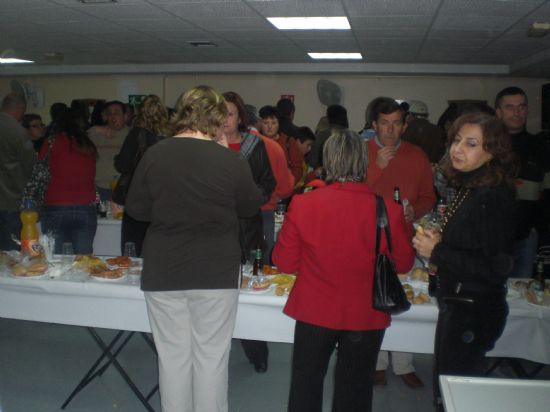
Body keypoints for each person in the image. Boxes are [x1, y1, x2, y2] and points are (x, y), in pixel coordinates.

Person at [125, 85, 262, 412]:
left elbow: (137, 210)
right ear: (216, 119)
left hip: (164, 269)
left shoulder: (155, 154)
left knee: (172, 359)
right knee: (211, 358)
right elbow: (249, 206)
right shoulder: (230, 160)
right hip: (215, 271)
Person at [273, 129, 414, 412]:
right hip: (366, 313)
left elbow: (285, 262)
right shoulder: (388, 208)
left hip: (315, 310)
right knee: (355, 390)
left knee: (306, 385)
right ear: (364, 162)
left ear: (329, 162)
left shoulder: (303, 203)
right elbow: (404, 263)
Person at [412, 112, 517, 412]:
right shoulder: (471, 186)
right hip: (459, 302)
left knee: (454, 395)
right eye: (457, 140)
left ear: (492, 151)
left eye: (471, 144)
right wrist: (441, 241)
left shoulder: (492, 197)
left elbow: (496, 267)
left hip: (473, 308)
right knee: (447, 388)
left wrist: (438, 252)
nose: (458, 149)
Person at [367, 97, 436, 388]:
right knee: (375, 300)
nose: (390, 130)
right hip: (367, 238)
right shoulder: (362, 152)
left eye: (396, 123)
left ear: (405, 125)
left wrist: (415, 211)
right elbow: (347, 190)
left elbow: (429, 196)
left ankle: (403, 362)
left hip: (404, 241)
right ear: (374, 125)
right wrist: (377, 166)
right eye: (384, 123)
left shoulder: (417, 154)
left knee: (404, 298)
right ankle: (378, 361)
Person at [223, 92, 276, 373]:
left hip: (247, 229)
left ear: (240, 117)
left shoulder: (253, 144)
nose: (224, 120)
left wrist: (251, 198)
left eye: (230, 113)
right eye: (219, 113)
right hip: (213, 230)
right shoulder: (204, 144)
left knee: (250, 292)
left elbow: (269, 181)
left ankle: (257, 351)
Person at [495, 87, 548, 278]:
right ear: (498, 112)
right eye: (510, 107)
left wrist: (540, 231)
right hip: (491, 236)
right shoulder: (487, 146)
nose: (517, 112)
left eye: (521, 107)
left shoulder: (541, 146)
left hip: (526, 237)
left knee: (522, 293)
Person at [114, 95, 169, 257]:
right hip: (163, 197)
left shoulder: (135, 134)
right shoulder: (170, 136)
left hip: (137, 196)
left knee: (132, 246)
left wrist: (117, 159)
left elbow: (122, 165)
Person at [40, 109, 98, 254]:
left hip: (55, 206)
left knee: (56, 259)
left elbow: (40, 173)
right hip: (85, 206)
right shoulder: (87, 145)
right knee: (84, 259)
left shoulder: (52, 142)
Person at [246, 105, 294, 265]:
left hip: (233, 213)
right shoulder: (273, 147)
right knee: (262, 263)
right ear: (258, 123)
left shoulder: (221, 145)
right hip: (265, 212)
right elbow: (286, 188)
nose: (269, 126)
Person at [0, 93, 35, 251]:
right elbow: (29, 166)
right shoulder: (18, 132)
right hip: (9, 199)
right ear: (21, 109)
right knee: (9, 253)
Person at [88, 100, 130, 200]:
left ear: (125, 117)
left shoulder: (131, 135)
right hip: (98, 187)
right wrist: (94, 130)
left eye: (116, 113)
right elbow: (77, 140)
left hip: (123, 188)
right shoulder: (97, 133)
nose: (112, 116)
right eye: (109, 113)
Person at [259, 105, 303, 184]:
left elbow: (298, 168)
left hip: (284, 189)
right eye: (266, 123)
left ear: (279, 124)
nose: (269, 126)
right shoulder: (255, 141)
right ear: (260, 124)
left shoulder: (289, 142)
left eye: (273, 123)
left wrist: (288, 184)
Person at [401, 100, 446, 164]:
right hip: (430, 169)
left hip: (411, 167)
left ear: (410, 114)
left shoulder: (406, 128)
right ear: (426, 115)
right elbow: (440, 153)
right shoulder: (438, 129)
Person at [308, 104, 349, 169]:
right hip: (347, 175)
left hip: (324, 175)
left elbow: (312, 160)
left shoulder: (322, 135)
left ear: (329, 117)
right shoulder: (352, 138)